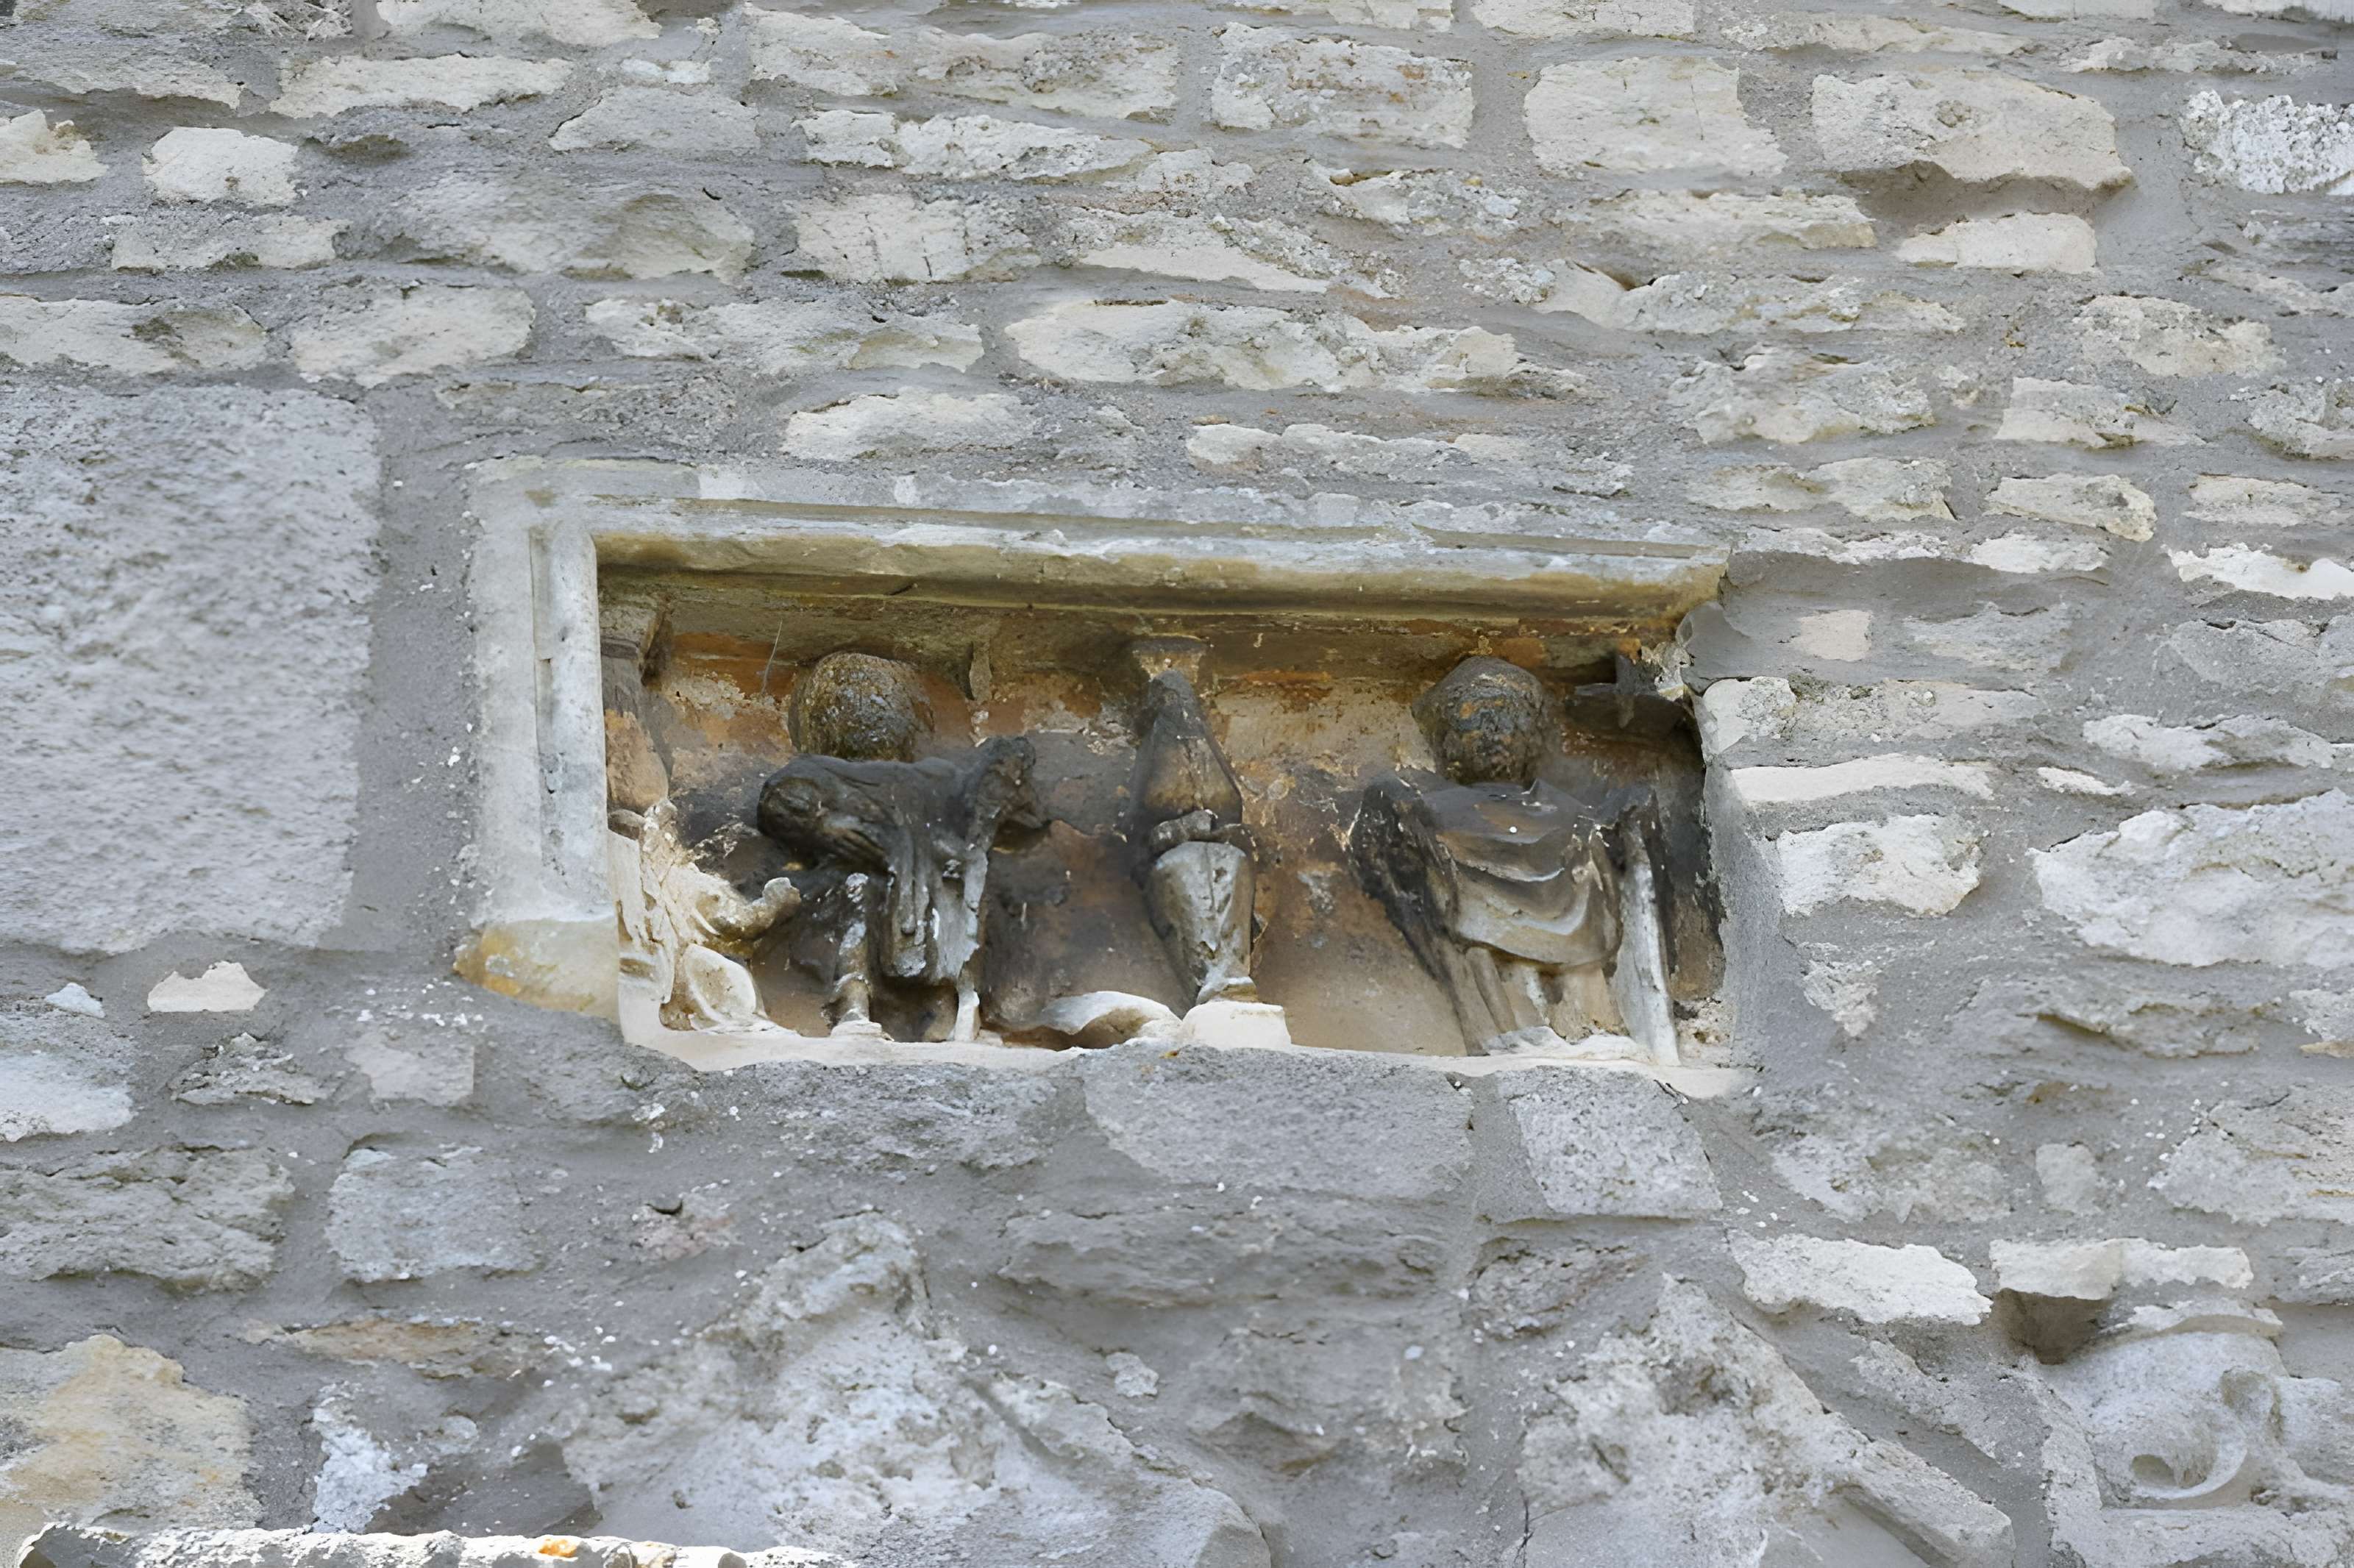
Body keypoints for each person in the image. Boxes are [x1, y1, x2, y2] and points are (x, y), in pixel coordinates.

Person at [1351, 658, 1672, 1058]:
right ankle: (1510, 1025)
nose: (1492, 731)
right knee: (1473, 925)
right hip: (1480, 929)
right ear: (1446, 740)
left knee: (1586, 897)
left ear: (1533, 736)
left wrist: (1620, 823)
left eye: (1508, 717)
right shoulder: (1429, 808)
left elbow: (1610, 856)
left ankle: (1589, 1021)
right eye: (1473, 716)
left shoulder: (1567, 812)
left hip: (1570, 912)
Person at [756, 653, 1039, 1042]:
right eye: (847, 698)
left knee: (966, 888)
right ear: (821, 717)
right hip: (849, 875)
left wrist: (1001, 771)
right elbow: (780, 803)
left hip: (927, 878)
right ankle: (852, 1002)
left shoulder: (931, 777)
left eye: (883, 698)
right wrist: (825, 823)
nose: (869, 708)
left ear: (911, 717)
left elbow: (983, 807)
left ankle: (948, 1003)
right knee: (856, 889)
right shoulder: (816, 774)